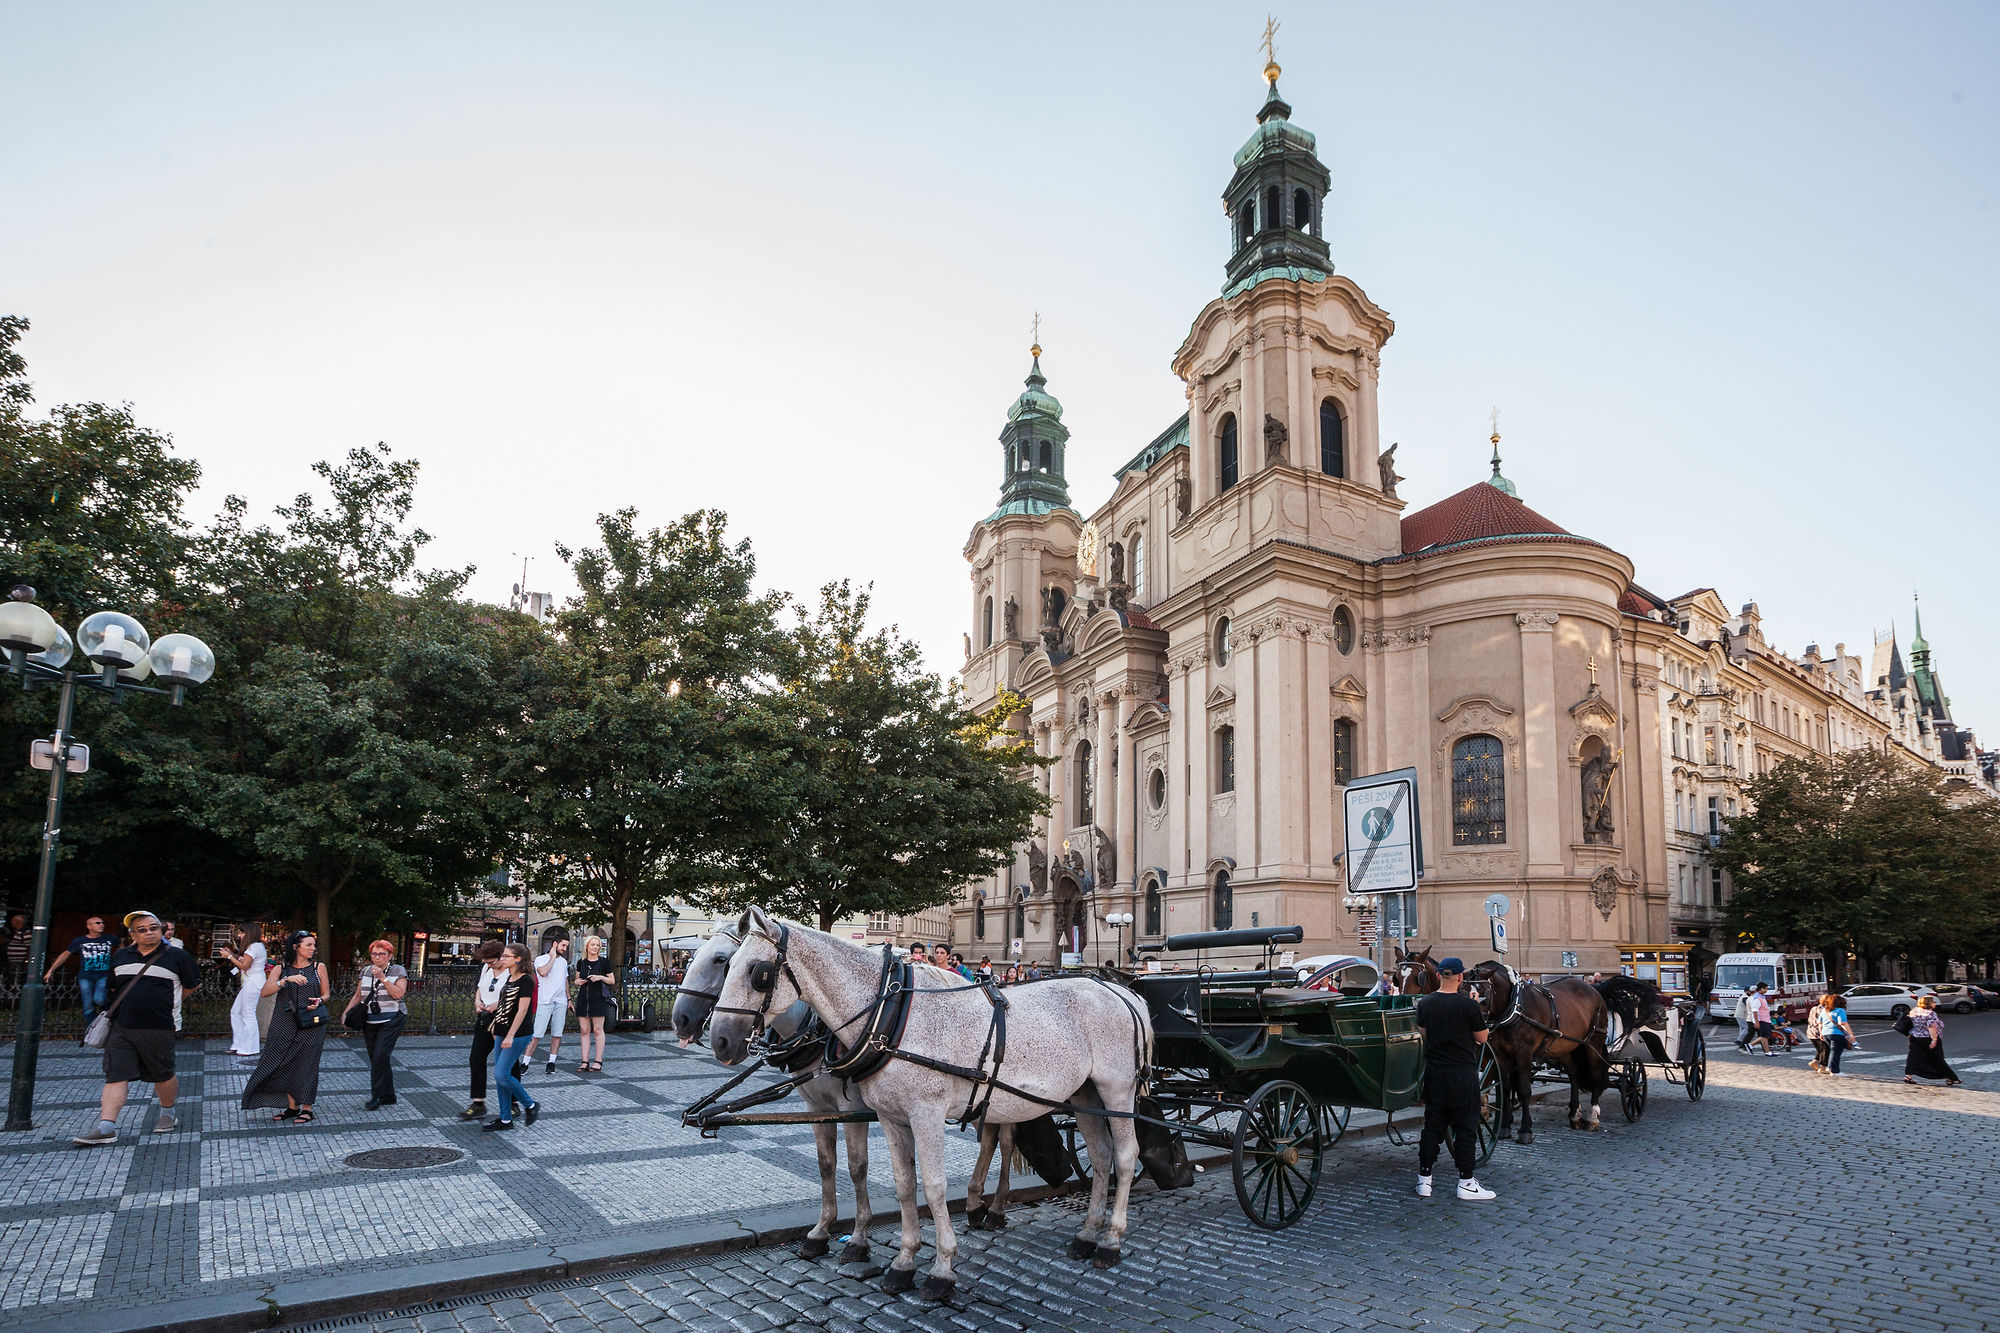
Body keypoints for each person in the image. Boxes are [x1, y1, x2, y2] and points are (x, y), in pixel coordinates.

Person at [71, 911, 204, 1146]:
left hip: (159, 1026)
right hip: (122, 1026)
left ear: (161, 930)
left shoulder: (178, 957)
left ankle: (167, 1113)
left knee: (162, 1074)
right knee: (115, 1075)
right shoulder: (121, 956)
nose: (149, 932)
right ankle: (106, 1127)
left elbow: (192, 985)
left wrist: (170, 1002)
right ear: (132, 934)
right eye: (142, 929)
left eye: (154, 927)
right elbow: (113, 987)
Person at [1413, 958, 1496, 1201]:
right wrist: (1474, 1012)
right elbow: (1481, 1038)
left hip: (1435, 1073)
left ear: (1439, 975)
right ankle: (1466, 1183)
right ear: (1460, 977)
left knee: (1432, 1127)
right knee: (1466, 1127)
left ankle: (1424, 1180)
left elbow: (1423, 1033)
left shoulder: (1426, 1003)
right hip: (1462, 1074)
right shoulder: (1467, 1006)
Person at [241, 930, 330, 1124]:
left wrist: (319, 1000)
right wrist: (285, 981)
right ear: (295, 947)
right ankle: (291, 1107)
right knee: (281, 1063)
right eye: (309, 945)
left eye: (314, 945)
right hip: (284, 1022)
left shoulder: (318, 967)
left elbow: (327, 994)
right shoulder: (281, 968)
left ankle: (307, 1109)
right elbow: (265, 992)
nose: (313, 948)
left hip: (311, 1023)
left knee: (307, 1065)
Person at [344, 939, 408, 1110]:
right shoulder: (365, 971)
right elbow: (359, 995)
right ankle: (389, 1095)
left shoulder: (398, 970)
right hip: (370, 1019)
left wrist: (383, 978)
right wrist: (347, 1012)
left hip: (392, 1018)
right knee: (377, 1058)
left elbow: (398, 994)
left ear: (390, 955)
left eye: (382, 954)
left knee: (380, 1055)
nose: (378, 957)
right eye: (374, 954)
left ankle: (377, 1096)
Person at [485, 944, 541, 1132]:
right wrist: (495, 1026)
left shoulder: (526, 980)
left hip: (518, 1034)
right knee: (501, 1077)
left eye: (506, 956)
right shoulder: (510, 977)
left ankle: (530, 1105)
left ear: (518, 959)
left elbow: (523, 1010)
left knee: (502, 1074)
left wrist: (510, 1035)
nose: (502, 959)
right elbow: (504, 1004)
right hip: (501, 1031)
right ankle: (505, 1118)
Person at [460, 940, 507, 1121]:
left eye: (492, 962)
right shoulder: (486, 969)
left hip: (502, 1019)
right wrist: (477, 1002)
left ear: (502, 956)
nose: (489, 965)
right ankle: (478, 1102)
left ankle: (513, 1104)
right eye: (486, 962)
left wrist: (498, 1004)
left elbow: (514, 996)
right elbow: (480, 988)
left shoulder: (511, 972)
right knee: (476, 1058)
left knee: (506, 1061)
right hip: (484, 1017)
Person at [45, 914, 116, 1026]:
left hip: (104, 975)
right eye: (98, 923)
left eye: (103, 923)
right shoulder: (79, 941)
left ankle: (109, 1014)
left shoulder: (110, 939)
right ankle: (92, 1029)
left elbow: (123, 949)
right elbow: (65, 954)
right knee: (87, 1005)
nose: (101, 925)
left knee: (100, 999)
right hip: (85, 976)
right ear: (89, 926)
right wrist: (51, 970)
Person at [524, 930, 570, 1075]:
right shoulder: (540, 959)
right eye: (563, 945)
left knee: (557, 1034)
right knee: (536, 1034)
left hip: (560, 1002)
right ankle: (525, 1062)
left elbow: (565, 981)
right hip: (545, 1002)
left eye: (566, 946)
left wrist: (568, 999)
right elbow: (543, 972)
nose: (565, 949)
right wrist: (552, 957)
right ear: (555, 944)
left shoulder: (563, 962)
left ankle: (551, 1062)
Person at [220, 922, 269, 1057]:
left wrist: (229, 957)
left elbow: (245, 966)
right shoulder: (257, 946)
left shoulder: (253, 947)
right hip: (252, 982)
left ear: (248, 934)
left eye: (242, 933)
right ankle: (239, 1044)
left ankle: (249, 1047)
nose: (240, 936)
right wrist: (231, 954)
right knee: (236, 1012)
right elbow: (244, 960)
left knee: (248, 1014)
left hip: (253, 983)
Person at [571, 935, 616, 1073]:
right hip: (584, 998)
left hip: (598, 999)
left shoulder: (603, 962)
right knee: (584, 1031)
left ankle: (598, 1060)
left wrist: (600, 977)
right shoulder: (581, 962)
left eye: (598, 945)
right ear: (587, 946)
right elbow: (576, 979)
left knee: (597, 1030)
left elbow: (612, 980)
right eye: (593, 945)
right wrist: (577, 982)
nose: (596, 947)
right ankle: (585, 1061)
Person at [1902, 995, 1961, 1086]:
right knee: (1938, 1058)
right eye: (1933, 1002)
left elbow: (1911, 1025)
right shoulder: (1930, 1014)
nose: (1935, 1004)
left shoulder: (1914, 1011)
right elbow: (1931, 1026)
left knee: (1913, 1057)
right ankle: (1951, 1078)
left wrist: (1910, 1038)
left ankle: (1908, 1076)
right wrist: (1934, 1039)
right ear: (1929, 1003)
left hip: (1915, 1036)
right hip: (1928, 1037)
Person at [1825, 994, 1855, 1075]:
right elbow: (1842, 1023)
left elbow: (1820, 1023)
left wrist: (1821, 1033)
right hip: (1836, 1034)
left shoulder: (1825, 1011)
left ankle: (1829, 1066)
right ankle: (1834, 1071)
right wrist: (1851, 1034)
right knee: (1836, 1052)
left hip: (1825, 1033)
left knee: (1832, 1051)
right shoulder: (1840, 1011)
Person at [1748, 983, 1777, 1056]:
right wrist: (1756, 1022)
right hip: (1762, 1019)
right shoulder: (1757, 998)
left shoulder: (1761, 997)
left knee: (1765, 1035)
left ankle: (1751, 1045)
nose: (1766, 991)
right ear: (1761, 989)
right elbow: (1755, 1011)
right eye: (1765, 989)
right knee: (1764, 1036)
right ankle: (1767, 1052)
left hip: (1765, 1019)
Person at [1807, 994, 1831, 1073]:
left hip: (1810, 1031)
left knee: (1820, 1049)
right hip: (1819, 1032)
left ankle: (1815, 1062)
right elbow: (1823, 1022)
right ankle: (1823, 1068)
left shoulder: (1814, 1008)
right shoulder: (1825, 1010)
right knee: (1825, 1050)